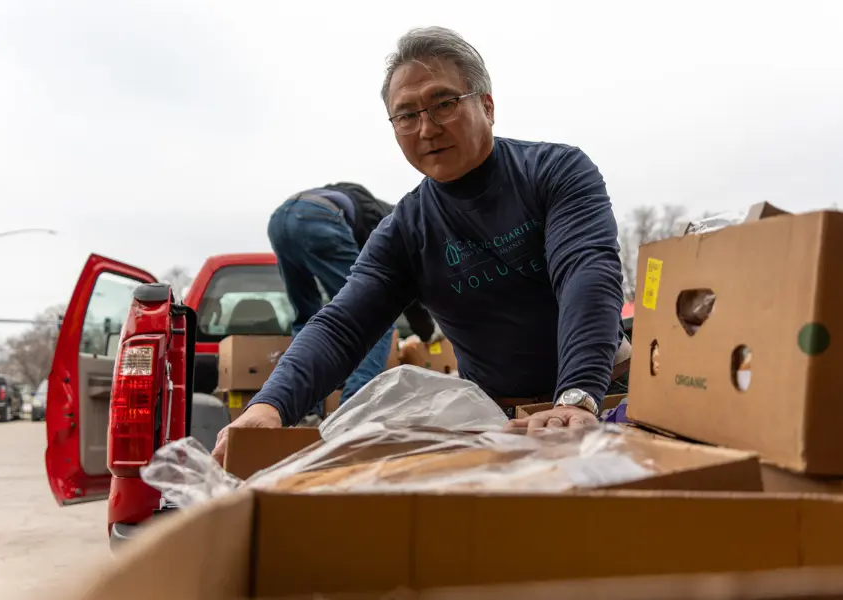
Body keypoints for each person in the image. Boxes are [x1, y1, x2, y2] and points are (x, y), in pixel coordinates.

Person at [213, 26, 626, 462]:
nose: (426, 128)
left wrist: (578, 396)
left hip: (602, 392)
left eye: (444, 103)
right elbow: (342, 326)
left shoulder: (554, 172)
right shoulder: (404, 230)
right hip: (503, 418)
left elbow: (586, 271)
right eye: (406, 115)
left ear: (487, 105)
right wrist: (268, 406)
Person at [267, 183, 439, 419]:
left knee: (307, 318)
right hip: (317, 218)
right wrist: (427, 331)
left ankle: (306, 413)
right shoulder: (390, 223)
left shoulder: (361, 204)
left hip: (280, 220)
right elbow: (398, 281)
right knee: (373, 315)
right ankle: (351, 410)